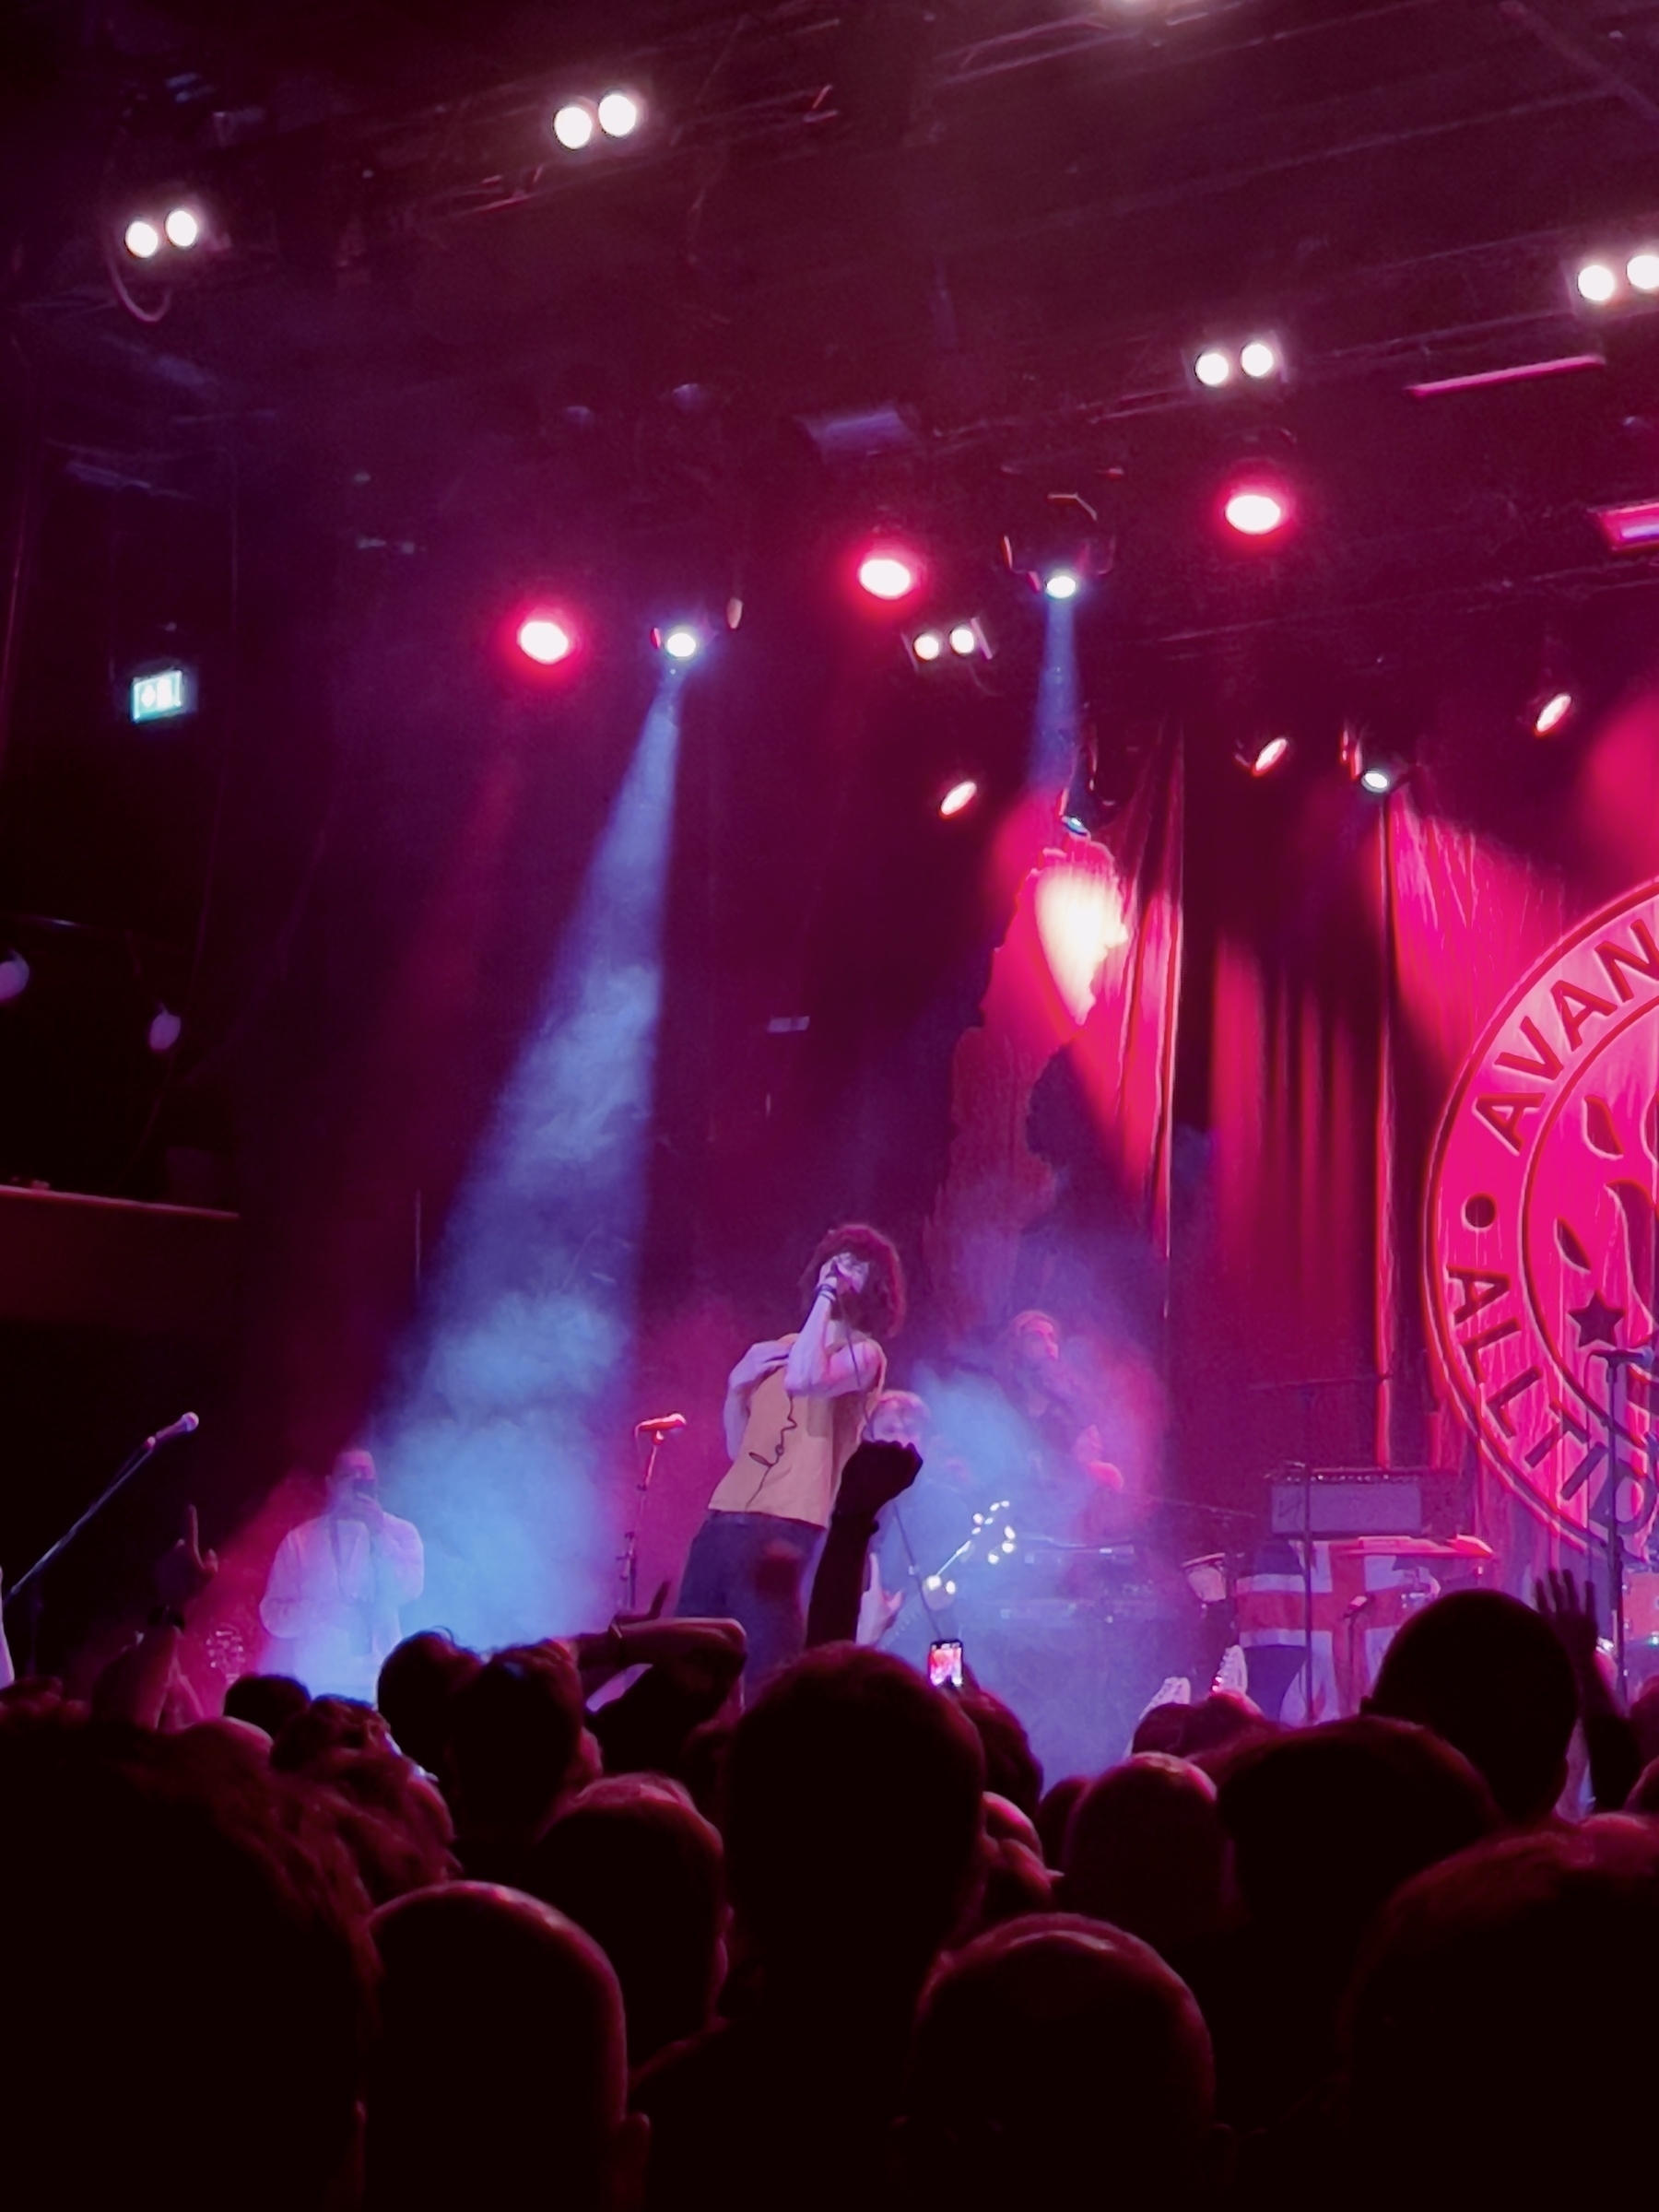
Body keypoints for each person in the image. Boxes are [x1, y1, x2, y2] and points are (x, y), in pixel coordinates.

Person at [677, 1225, 902, 1688]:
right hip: (723, 1521)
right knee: (685, 1668)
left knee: (768, 1670)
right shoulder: (776, 1349)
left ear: (875, 1284)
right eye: (835, 1259)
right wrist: (735, 1387)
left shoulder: (865, 1355)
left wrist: (825, 1297)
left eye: (856, 1264)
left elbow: (807, 1378)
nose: (841, 1269)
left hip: (786, 1526)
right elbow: (739, 1449)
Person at [259, 1450, 425, 1700]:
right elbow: (272, 1615)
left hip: (380, 1681)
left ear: (376, 1482)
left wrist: (379, 1535)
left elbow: (410, 1590)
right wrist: (319, 1611)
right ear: (331, 1485)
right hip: (317, 1684)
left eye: (365, 1476)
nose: (358, 1482)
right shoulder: (300, 1541)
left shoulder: (400, 1532)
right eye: (349, 1475)